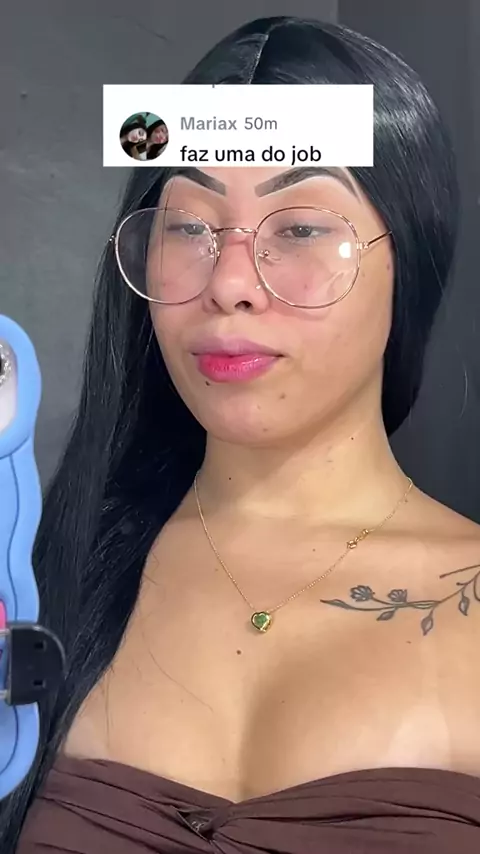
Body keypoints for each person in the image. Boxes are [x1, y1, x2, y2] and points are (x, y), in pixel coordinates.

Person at [6, 14, 480, 854]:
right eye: (188, 226)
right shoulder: (48, 576)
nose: (228, 283)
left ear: (411, 258)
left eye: (299, 228)